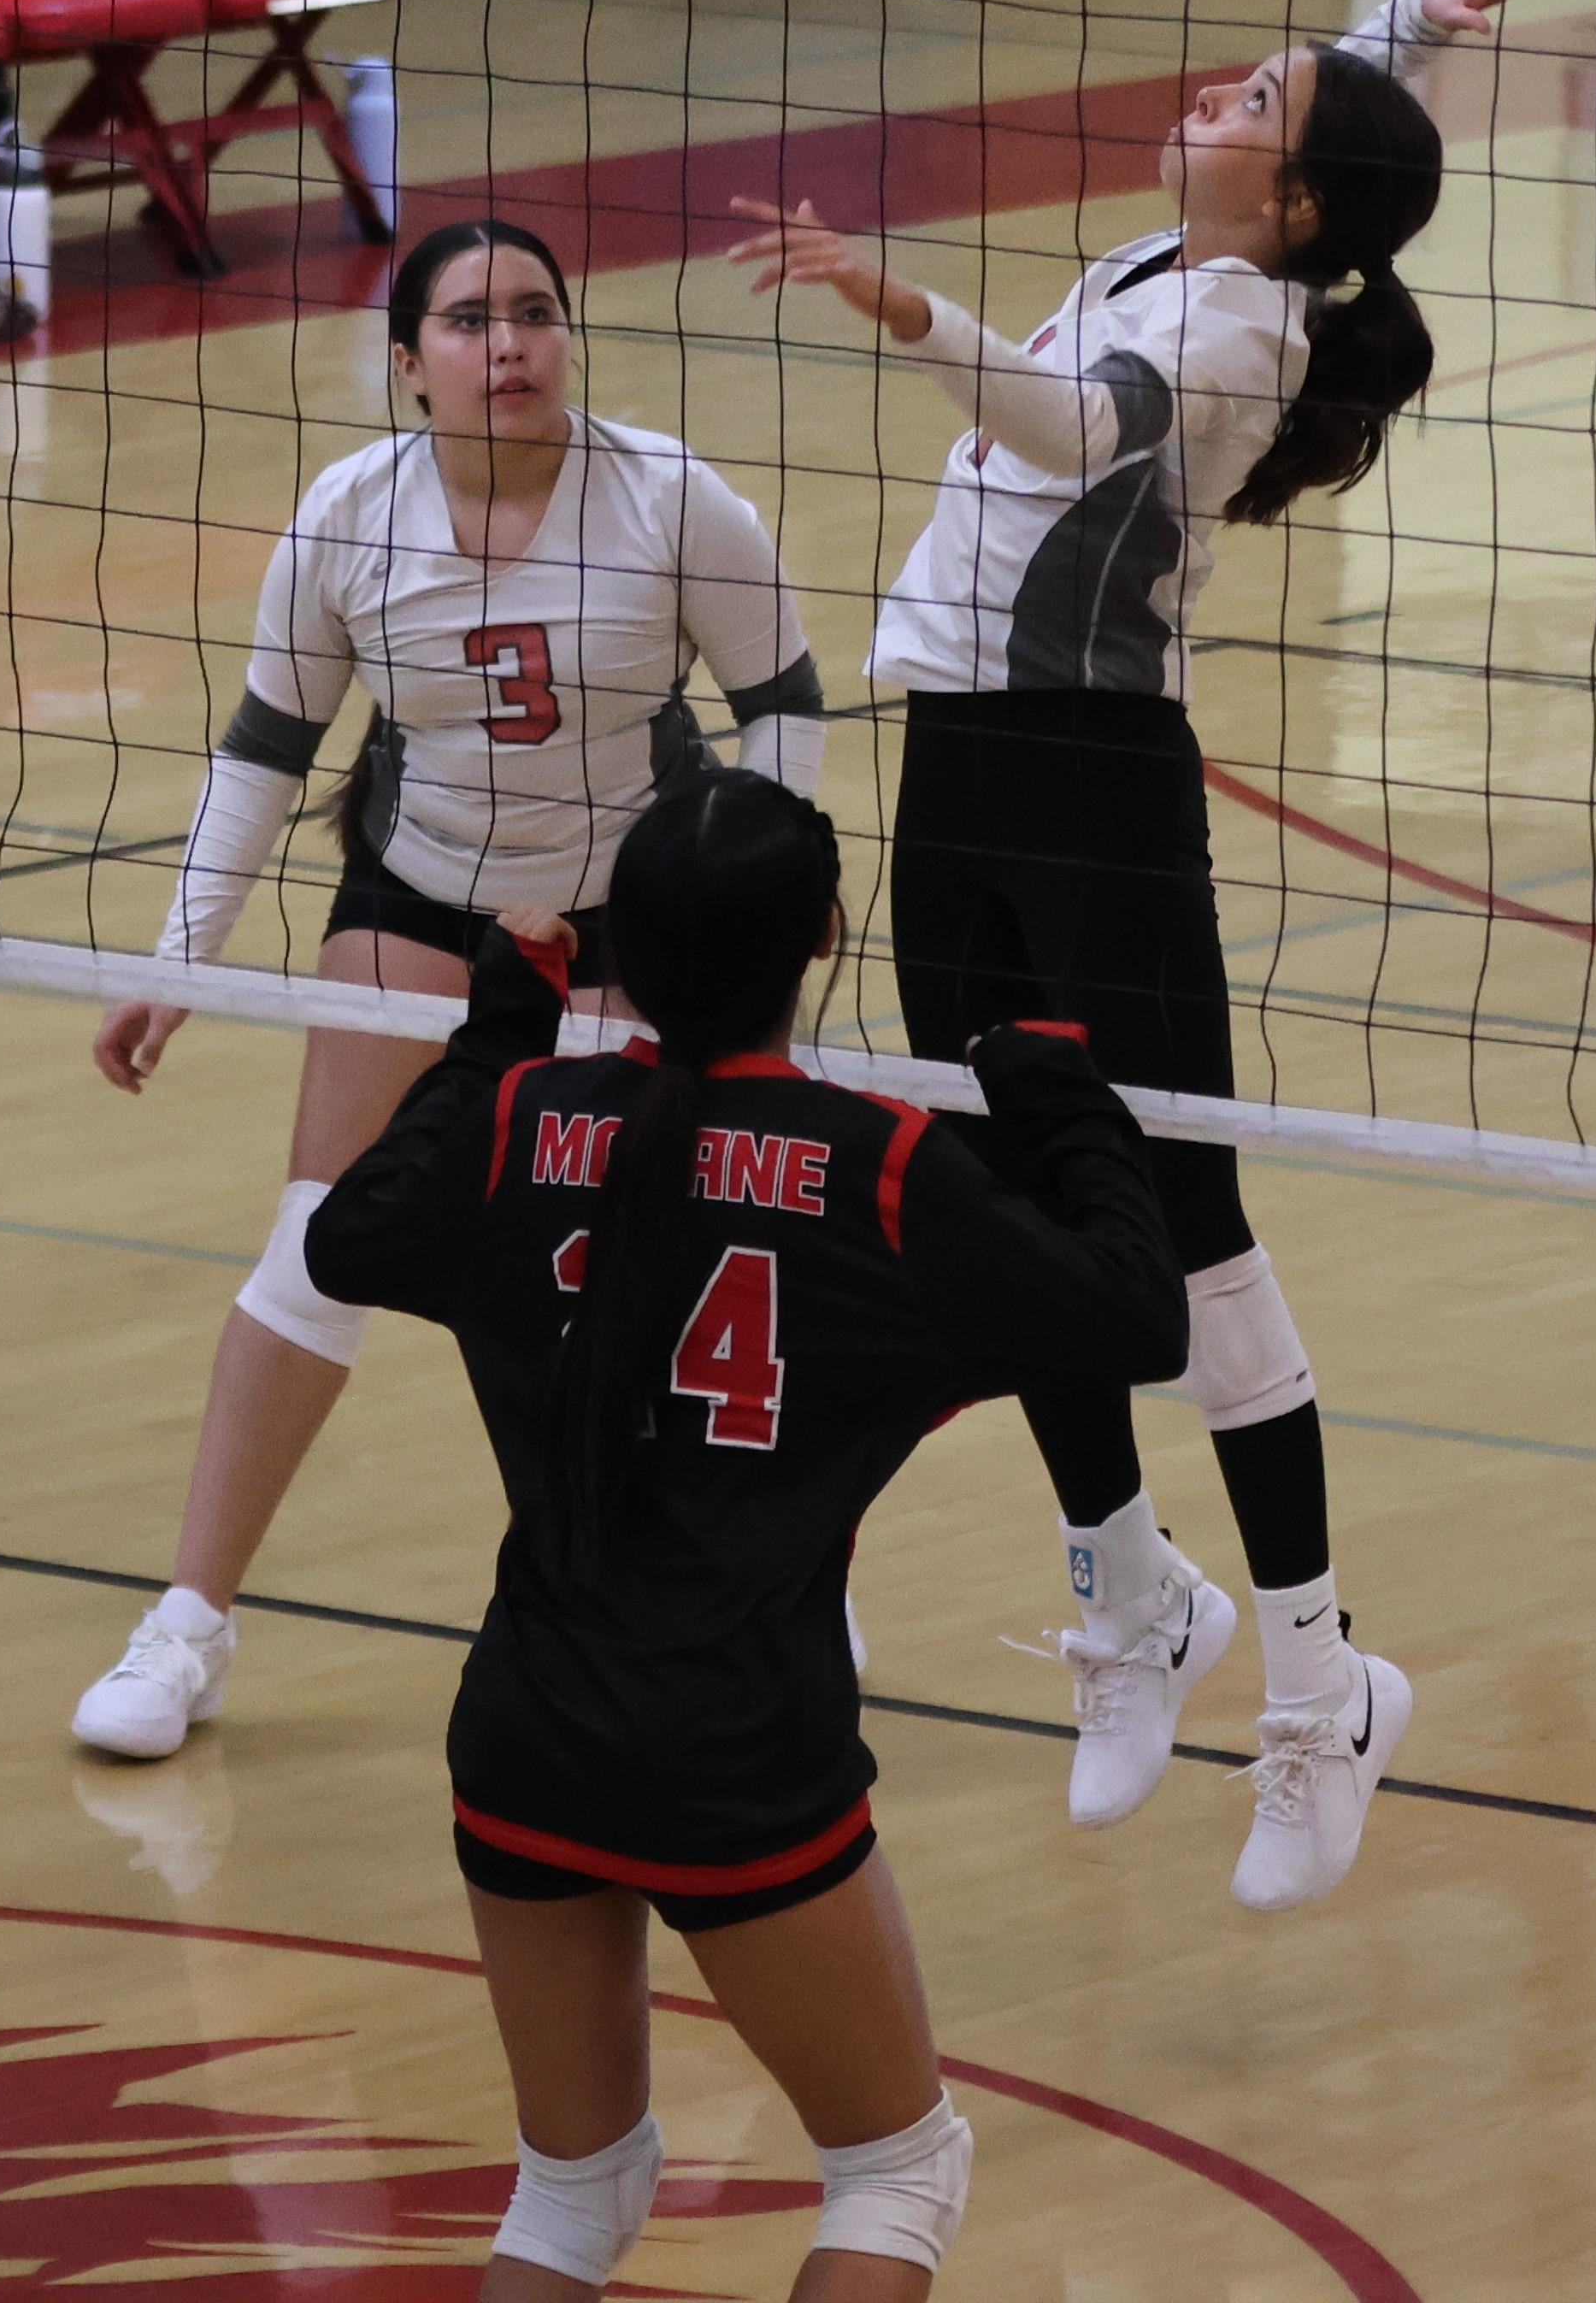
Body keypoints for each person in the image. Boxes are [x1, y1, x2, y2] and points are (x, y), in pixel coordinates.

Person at [729, 0, 1527, 1914]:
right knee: (1003, 1205)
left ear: (1299, 202)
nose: (1221, 97)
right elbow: (1345, 101)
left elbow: (1071, 429)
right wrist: (1416, 6)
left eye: (1257, 106)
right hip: (969, 771)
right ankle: (1129, 1595)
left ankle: (1324, 1686)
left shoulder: (1246, 328)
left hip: (1099, 788)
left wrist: (892, 294)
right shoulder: (1198, 255)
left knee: (1189, 1227)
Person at [299, 770, 1187, 2299]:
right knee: (895, 2177)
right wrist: (1069, 1107)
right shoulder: (883, 1169)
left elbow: (344, 1235)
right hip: (737, 1752)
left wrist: (498, 1031)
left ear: (616, 949)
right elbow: (1137, 1315)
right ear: (826, 941)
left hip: (526, 1730)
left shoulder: (522, 1119)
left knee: (570, 2199)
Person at [72, 215, 826, 1767]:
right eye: (473, 323)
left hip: (635, 918)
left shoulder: (673, 499)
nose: (513, 345)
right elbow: (268, 751)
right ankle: (189, 1626)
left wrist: (770, 897)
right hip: (421, 901)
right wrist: (177, 960)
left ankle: (757, 1598)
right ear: (409, 364)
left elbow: (784, 705)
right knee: (317, 1250)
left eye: (538, 315)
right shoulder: (352, 514)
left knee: (647, 1275)